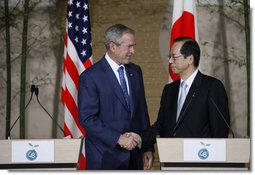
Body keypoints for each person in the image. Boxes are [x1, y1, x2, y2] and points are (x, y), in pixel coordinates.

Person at [78, 24, 153, 170]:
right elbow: (87, 118)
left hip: (134, 156)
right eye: (129, 46)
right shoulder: (91, 76)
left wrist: (147, 147)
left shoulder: (136, 71)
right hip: (105, 157)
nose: (133, 51)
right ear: (113, 46)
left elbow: (142, 112)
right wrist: (118, 138)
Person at [141, 37, 231, 151]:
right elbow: (161, 125)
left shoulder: (211, 87)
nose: (170, 61)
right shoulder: (169, 90)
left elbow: (220, 130)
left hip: (200, 160)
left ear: (190, 59)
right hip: (171, 158)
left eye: (174, 57)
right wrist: (139, 139)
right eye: (169, 57)